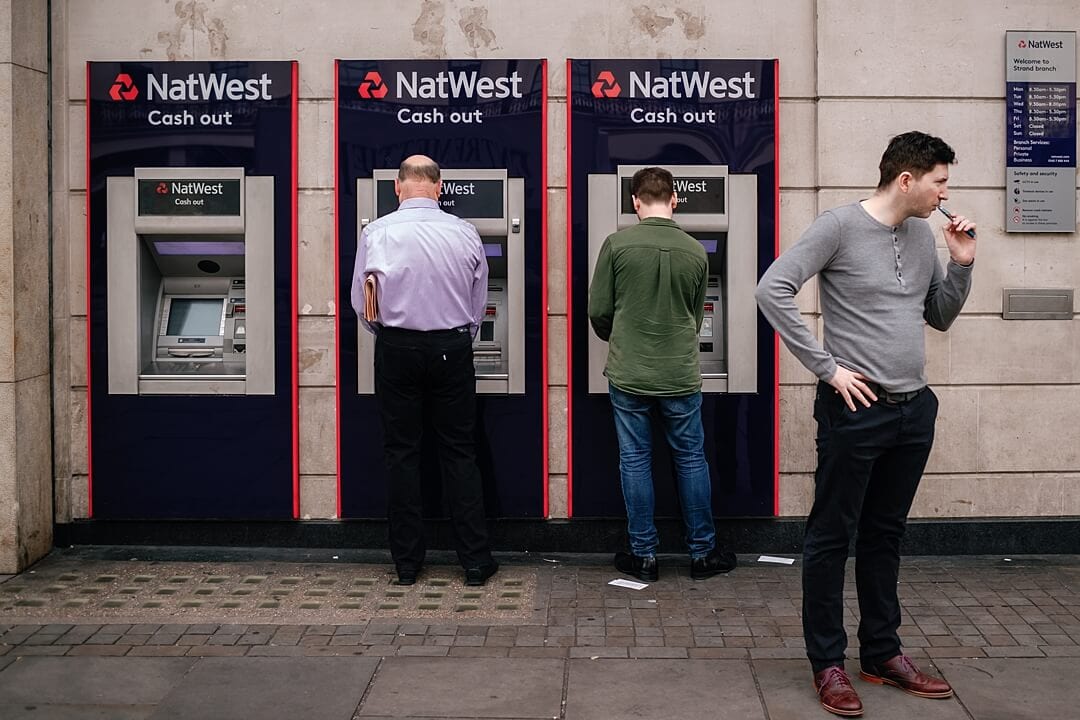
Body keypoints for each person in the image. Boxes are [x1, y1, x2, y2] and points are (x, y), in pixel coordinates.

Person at [756, 131, 977, 717]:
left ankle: (882, 653)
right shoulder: (837, 227)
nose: (945, 194)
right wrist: (827, 369)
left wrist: (962, 266)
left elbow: (940, 316)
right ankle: (827, 663)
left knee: (885, 535)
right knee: (831, 537)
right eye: (940, 181)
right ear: (907, 179)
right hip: (855, 410)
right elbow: (771, 289)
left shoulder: (925, 236)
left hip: (913, 409)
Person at [351, 154, 498, 588]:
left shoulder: (375, 232)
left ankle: (407, 565)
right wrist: (458, 337)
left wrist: (389, 333)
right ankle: (474, 561)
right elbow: (479, 302)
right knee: (459, 452)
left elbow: (362, 302)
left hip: (396, 347)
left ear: (398, 188)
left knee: (402, 454)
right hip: (452, 347)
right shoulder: (465, 232)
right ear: (438, 187)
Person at [589, 166, 737, 583]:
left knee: (635, 459)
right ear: (675, 200)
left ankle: (644, 557)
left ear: (635, 202)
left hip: (630, 371)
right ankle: (703, 554)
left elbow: (598, 310)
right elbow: (695, 314)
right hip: (680, 373)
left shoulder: (616, 246)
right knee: (691, 459)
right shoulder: (695, 250)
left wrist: (621, 335)